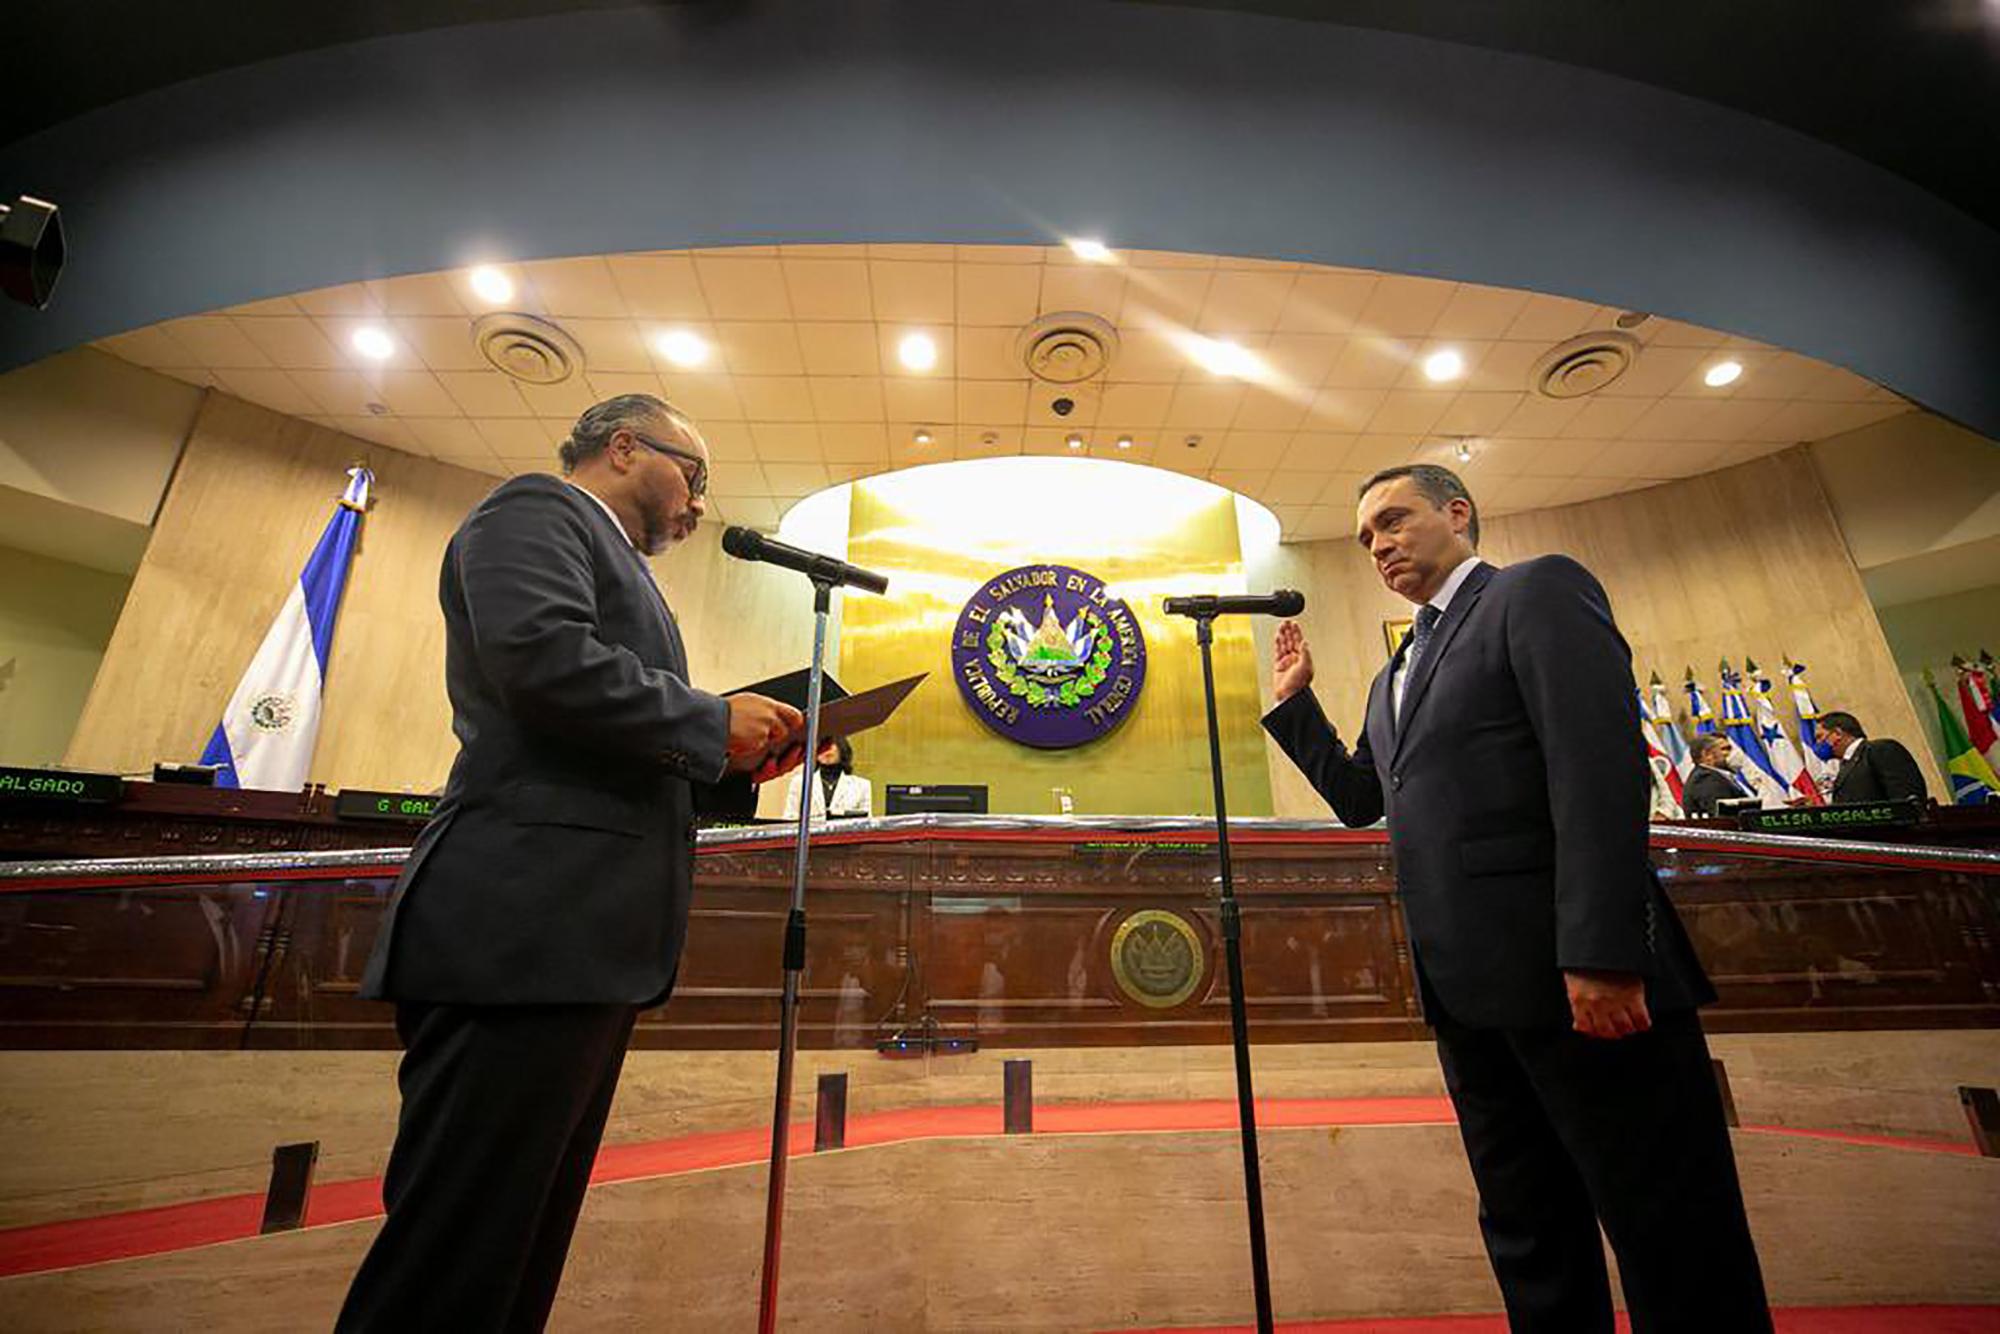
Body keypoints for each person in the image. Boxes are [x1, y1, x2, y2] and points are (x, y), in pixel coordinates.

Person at [337, 394, 806, 1332]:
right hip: (519, 930)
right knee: (455, 1251)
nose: (699, 507)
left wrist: (736, 758)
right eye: (694, 478)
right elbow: (539, 660)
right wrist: (712, 720)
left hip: (576, 939)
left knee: (519, 1242)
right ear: (624, 447)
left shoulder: (624, 570)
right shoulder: (535, 509)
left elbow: (601, 744)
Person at [1262, 464, 1768, 1332]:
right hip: (1468, 993)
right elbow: (1362, 801)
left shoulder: (1535, 593)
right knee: (1528, 1228)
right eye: (1366, 538)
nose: (1379, 546)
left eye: (1394, 521)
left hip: (1582, 982)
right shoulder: (1396, 675)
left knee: (1668, 1228)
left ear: (1458, 513)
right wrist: (1297, 707)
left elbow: (1599, 769)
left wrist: (1604, 953)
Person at [1820, 710, 1929, 804]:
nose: (1818, 743)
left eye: (1820, 737)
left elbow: (1906, 798)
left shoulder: (1880, 750)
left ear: (1837, 733)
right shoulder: (1843, 766)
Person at [782, 733, 872, 821]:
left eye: (831, 744)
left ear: (842, 748)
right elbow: (790, 819)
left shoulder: (862, 786)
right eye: (822, 746)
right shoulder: (800, 783)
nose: (827, 750)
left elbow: (866, 823)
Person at [1683, 732, 1755, 817]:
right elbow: (1723, 817)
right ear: (1707, 755)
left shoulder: (1719, 776)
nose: (1731, 753)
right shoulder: (1706, 779)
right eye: (1724, 749)